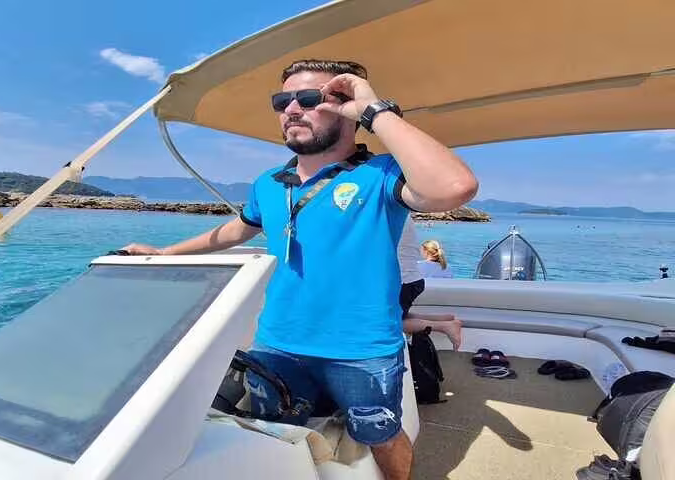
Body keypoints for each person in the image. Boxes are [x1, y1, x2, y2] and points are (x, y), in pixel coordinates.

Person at [123, 59, 478, 480]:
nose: (292, 109)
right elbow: (237, 229)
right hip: (277, 343)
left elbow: (455, 187)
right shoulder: (269, 183)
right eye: (282, 101)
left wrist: (374, 110)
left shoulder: (381, 174)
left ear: (347, 109)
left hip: (361, 349)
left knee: (380, 435)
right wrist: (168, 253)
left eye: (309, 99)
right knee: (275, 435)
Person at [398, 216, 462, 350]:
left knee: (385, 322)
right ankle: (443, 319)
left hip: (401, 280)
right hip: (410, 280)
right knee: (396, 313)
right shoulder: (400, 213)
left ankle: (445, 326)